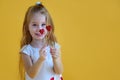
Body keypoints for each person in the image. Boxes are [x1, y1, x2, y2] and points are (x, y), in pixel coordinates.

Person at [19, 2, 63, 80]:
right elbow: (31, 74)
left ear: (48, 26)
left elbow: (59, 71)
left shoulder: (54, 46)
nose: (40, 29)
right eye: (34, 25)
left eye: (43, 24)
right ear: (27, 27)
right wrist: (40, 59)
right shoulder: (26, 51)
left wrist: (55, 59)